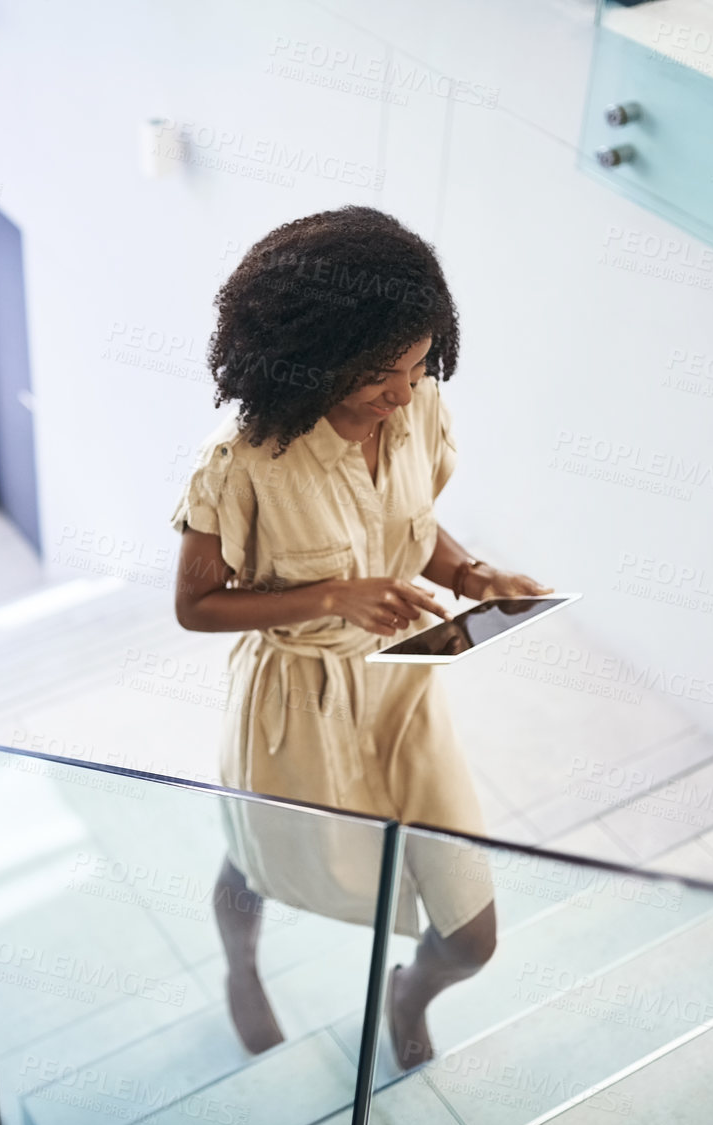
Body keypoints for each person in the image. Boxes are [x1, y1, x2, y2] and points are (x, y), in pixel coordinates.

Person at [170, 206, 550, 1069]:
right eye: (383, 376)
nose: (404, 395)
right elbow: (196, 606)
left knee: (473, 935)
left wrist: (475, 575)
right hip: (296, 700)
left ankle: (411, 992)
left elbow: (411, 523)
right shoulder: (242, 462)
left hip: (405, 687)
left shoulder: (412, 410)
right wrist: (333, 595)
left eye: (419, 369)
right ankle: (241, 969)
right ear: (314, 362)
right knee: (257, 858)